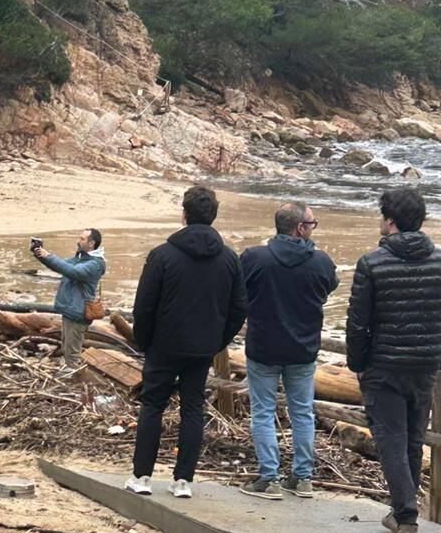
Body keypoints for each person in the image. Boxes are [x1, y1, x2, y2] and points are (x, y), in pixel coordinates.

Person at [128, 184, 247, 500]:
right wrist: (218, 341)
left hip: (164, 345)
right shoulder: (229, 260)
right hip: (203, 346)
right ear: (213, 216)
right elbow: (238, 309)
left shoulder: (162, 255)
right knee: (193, 408)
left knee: (153, 404)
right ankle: (183, 481)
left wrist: (144, 340)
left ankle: (141, 476)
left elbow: (144, 306)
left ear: (183, 214)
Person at [345, 185, 441, 533]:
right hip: (425, 366)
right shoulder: (437, 262)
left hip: (384, 366)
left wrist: (357, 364)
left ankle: (407, 522)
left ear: (389, 221)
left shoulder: (373, 263)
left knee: (390, 442)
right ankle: (402, 513)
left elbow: (358, 323)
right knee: (412, 441)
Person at [239, 201, 338, 499]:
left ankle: (269, 478)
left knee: (263, 412)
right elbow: (329, 286)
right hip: (303, 347)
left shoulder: (255, 258)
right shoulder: (320, 261)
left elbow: (240, 291)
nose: (312, 229)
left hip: (263, 346)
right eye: (311, 224)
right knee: (302, 412)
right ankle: (302, 477)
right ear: (299, 228)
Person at [29, 230, 106, 367]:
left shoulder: (95, 264)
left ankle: (75, 378)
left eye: (82, 239)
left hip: (78, 312)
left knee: (72, 353)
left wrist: (49, 256)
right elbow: (60, 266)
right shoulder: (81, 257)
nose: (78, 241)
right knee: (67, 348)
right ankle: (70, 373)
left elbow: (73, 272)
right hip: (71, 310)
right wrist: (40, 253)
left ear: (91, 243)